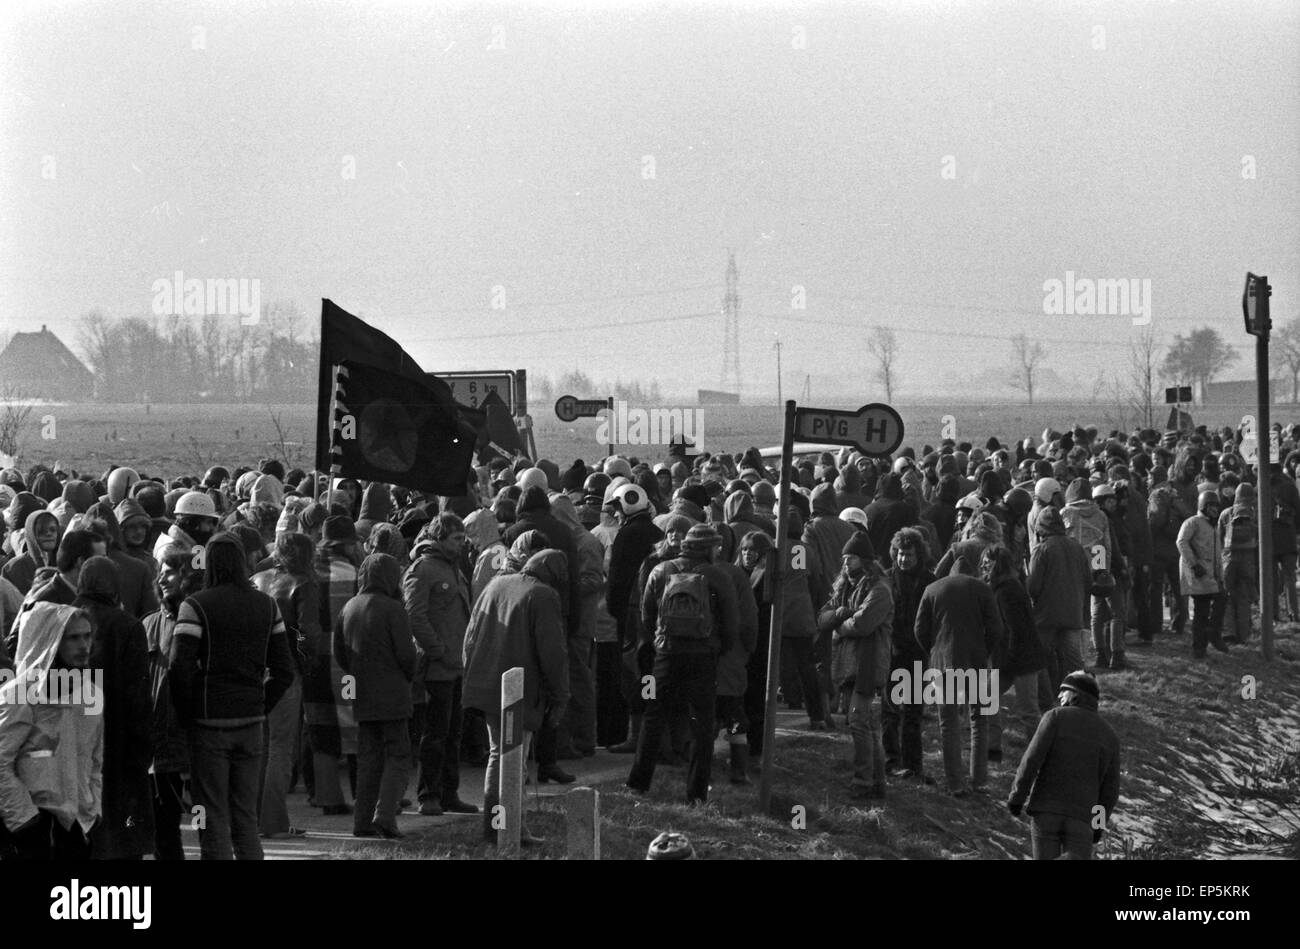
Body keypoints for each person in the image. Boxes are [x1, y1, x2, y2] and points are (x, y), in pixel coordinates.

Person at [169, 533, 296, 860]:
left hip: (208, 723)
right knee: (245, 817)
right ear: (242, 562)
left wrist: (187, 716)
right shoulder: (267, 605)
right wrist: (260, 703)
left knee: (211, 816)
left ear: (208, 562)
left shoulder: (195, 605)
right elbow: (284, 670)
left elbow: (179, 668)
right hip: (251, 722)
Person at [463, 549, 570, 846]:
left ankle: (497, 827)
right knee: (513, 761)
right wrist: (560, 695)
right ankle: (509, 831)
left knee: (499, 756)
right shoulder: (543, 595)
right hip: (519, 690)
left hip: (486, 684)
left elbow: (470, 636)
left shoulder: (496, 584)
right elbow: (553, 654)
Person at [626, 524, 739, 804]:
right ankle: (696, 794)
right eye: (716, 546)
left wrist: (659, 642)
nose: (719, 550)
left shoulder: (661, 570)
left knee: (654, 716)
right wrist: (719, 648)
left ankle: (638, 783)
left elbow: (646, 614)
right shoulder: (717, 575)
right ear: (707, 548)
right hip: (703, 655)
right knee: (702, 722)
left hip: (666, 654)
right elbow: (732, 622)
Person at [0, 603, 102, 860]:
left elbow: (95, 760)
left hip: (77, 825)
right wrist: (24, 820)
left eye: (87, 636)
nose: (84, 646)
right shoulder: (18, 695)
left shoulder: (90, 694)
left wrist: (92, 809)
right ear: (52, 639)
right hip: (32, 825)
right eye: (73, 637)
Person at [74, 556, 154, 860]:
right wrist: (143, 748)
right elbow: (138, 697)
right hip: (118, 744)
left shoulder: (62, 618)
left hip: (74, 743)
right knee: (123, 834)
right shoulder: (128, 627)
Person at [336, 553, 415, 839]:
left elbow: (340, 654)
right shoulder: (394, 609)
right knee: (398, 754)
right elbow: (407, 655)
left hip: (363, 692)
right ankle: (384, 815)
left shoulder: (349, 607)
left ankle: (362, 820)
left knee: (368, 758)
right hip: (393, 694)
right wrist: (410, 674)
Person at [404, 514, 479, 815]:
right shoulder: (423, 569)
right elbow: (414, 616)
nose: (462, 544)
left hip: (457, 664)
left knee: (453, 733)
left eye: (463, 538)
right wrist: (436, 650)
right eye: (456, 539)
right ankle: (429, 795)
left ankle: (450, 793)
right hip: (436, 665)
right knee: (434, 735)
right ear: (439, 538)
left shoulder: (453, 566)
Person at [914, 558, 1003, 798]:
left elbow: (919, 629)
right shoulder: (983, 588)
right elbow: (996, 628)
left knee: (949, 723)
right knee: (980, 720)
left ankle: (955, 783)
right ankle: (979, 780)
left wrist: (934, 651)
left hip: (944, 663)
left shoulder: (932, 589)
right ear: (972, 573)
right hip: (978, 661)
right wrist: (985, 650)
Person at [1007, 670, 1120, 860]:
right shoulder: (1110, 736)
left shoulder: (1055, 717)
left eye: (1064, 690)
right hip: (1082, 819)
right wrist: (1098, 824)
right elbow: (1109, 792)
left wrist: (1017, 798)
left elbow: (1031, 761)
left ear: (1076, 694)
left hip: (1046, 813)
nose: (1059, 695)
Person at [818, 533, 893, 801]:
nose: (846, 563)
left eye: (851, 558)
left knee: (860, 722)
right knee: (864, 724)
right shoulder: (844, 587)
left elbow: (863, 623)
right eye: (845, 558)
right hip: (850, 663)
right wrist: (840, 615)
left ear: (865, 560)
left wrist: (840, 624)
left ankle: (864, 781)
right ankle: (875, 781)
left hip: (869, 665)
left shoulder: (880, 590)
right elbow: (824, 615)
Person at [250, 533, 316, 838]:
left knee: (259, 748)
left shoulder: (256, 579)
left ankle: (253, 817)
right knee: (280, 748)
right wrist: (304, 665)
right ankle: (273, 821)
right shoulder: (303, 583)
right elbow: (305, 633)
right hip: (286, 670)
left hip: (254, 670)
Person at [143, 547, 201, 860]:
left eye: (171, 572)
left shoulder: (201, 617)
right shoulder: (150, 623)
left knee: (190, 825)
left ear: (187, 576)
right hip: (156, 744)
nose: (163, 578)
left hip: (189, 739)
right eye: (161, 572)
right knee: (161, 828)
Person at [882, 527, 935, 781]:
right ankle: (891, 761)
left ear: (919, 555)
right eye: (901, 554)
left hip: (917, 653)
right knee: (890, 710)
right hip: (892, 651)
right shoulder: (887, 577)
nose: (904, 559)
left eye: (909, 555)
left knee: (913, 712)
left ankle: (914, 765)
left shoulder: (929, 581)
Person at [1027, 508, 1091, 710]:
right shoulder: (1077, 547)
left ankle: (1046, 702)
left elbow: (1033, 586)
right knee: (1073, 662)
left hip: (1046, 616)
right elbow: (1088, 580)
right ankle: (1080, 703)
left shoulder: (1042, 549)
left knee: (1037, 658)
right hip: (1072, 614)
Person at [1177, 491, 1229, 659]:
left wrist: (1220, 576)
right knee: (1201, 611)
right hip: (1197, 574)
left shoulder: (1213, 526)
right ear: (1203, 506)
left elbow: (1217, 556)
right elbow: (1181, 542)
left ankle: (1211, 635)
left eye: (1216, 506)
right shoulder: (1193, 522)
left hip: (1209, 574)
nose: (1215, 510)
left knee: (1218, 600)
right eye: (1211, 506)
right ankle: (1200, 648)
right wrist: (1194, 564)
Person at [1218, 482, 1257, 644]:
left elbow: (1218, 537)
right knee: (1243, 597)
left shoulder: (1226, 513)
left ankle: (1228, 632)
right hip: (1247, 559)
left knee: (1225, 596)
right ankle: (1244, 634)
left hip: (1228, 559)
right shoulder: (1255, 514)